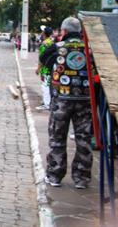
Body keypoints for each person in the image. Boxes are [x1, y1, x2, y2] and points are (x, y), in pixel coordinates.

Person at [40, 17, 93, 189]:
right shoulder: (90, 50)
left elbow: (43, 58)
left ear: (63, 31)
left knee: (57, 138)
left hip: (61, 101)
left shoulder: (57, 47)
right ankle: (82, 178)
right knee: (83, 139)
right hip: (84, 101)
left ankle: (55, 175)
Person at [35, 26, 55, 110]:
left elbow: (41, 58)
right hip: (51, 67)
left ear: (44, 33)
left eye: (42, 32)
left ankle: (47, 104)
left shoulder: (44, 44)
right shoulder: (51, 42)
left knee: (45, 86)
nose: (41, 33)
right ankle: (48, 101)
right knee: (49, 85)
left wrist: (38, 68)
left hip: (45, 68)